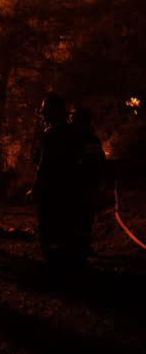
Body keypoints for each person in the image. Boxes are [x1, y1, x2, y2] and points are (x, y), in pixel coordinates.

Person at [31, 95, 82, 274]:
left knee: (50, 231)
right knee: (66, 230)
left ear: (54, 111)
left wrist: (36, 188)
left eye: (45, 110)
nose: (42, 114)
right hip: (72, 193)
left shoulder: (51, 135)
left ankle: (55, 270)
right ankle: (68, 267)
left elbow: (44, 165)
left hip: (52, 193)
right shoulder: (75, 133)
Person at [70, 108, 105, 263]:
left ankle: (81, 250)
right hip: (73, 185)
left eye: (74, 119)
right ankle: (77, 249)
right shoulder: (67, 138)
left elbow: (96, 163)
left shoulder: (89, 140)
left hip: (84, 186)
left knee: (83, 219)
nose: (71, 121)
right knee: (76, 219)